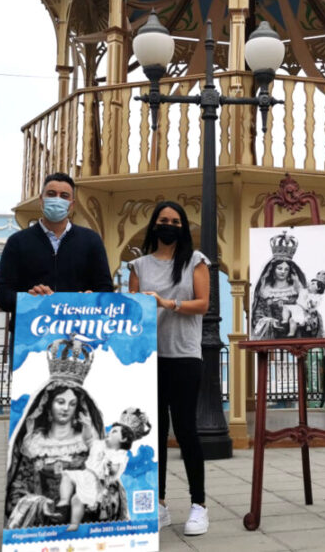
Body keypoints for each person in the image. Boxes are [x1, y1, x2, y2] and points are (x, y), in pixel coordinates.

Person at [127, 201, 211, 536]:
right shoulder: (138, 265)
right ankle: (157, 504)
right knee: (155, 433)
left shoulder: (195, 262)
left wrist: (167, 303)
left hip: (184, 356)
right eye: (163, 220)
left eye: (175, 221)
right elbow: (132, 309)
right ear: (153, 224)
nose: (169, 225)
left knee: (187, 430)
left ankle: (199, 504)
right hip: (150, 358)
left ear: (183, 227)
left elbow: (203, 304)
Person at [6, 340, 106, 529]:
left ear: (78, 407)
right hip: (42, 525)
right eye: (60, 401)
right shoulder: (33, 444)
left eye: (71, 403)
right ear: (48, 405)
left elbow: (103, 485)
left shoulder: (86, 443)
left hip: (82, 521)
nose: (66, 408)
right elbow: (17, 490)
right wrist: (42, 506)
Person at [0, 172, 113, 322]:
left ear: (72, 204)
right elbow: (2, 294)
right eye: (51, 194)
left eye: (64, 196)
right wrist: (28, 298)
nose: (57, 199)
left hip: (77, 331)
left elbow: (106, 290)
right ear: (41, 200)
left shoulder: (91, 240)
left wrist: (93, 297)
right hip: (29, 334)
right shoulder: (17, 242)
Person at [61, 407, 152, 529]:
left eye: (114, 432)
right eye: (110, 431)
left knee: (79, 500)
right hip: (87, 476)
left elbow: (115, 470)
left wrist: (110, 466)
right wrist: (87, 425)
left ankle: (77, 523)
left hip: (100, 484)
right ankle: (64, 500)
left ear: (123, 439)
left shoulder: (118, 454)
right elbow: (88, 439)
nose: (109, 433)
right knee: (66, 477)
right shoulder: (99, 445)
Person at [250, 233, 307, 339]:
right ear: (273, 270)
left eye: (286, 269)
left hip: (294, 333)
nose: (283, 272)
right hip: (272, 334)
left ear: (290, 272)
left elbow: (305, 311)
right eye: (279, 268)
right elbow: (258, 315)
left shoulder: (296, 291)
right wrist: (271, 322)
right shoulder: (265, 291)